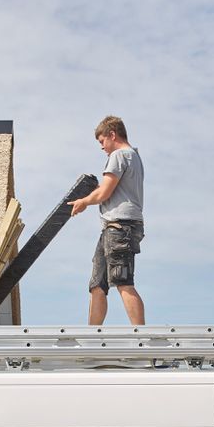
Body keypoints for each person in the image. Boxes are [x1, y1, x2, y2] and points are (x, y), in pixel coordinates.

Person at [69, 115, 145, 325]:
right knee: (97, 284)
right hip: (113, 228)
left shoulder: (120, 155)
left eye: (102, 141)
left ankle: (142, 337)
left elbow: (104, 192)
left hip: (120, 227)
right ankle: (92, 336)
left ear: (112, 135)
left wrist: (83, 201)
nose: (102, 147)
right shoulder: (134, 157)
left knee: (123, 282)